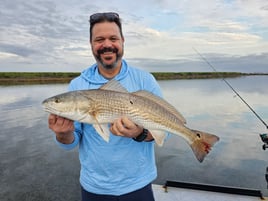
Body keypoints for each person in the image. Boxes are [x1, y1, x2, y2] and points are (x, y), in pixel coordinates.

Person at [48, 12, 163, 201]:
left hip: (139, 184)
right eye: (99, 39)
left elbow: (162, 132)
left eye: (113, 38)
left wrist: (139, 133)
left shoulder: (145, 80)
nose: (107, 45)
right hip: (95, 187)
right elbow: (72, 141)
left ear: (123, 41)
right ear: (91, 44)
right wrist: (63, 134)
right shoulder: (77, 85)